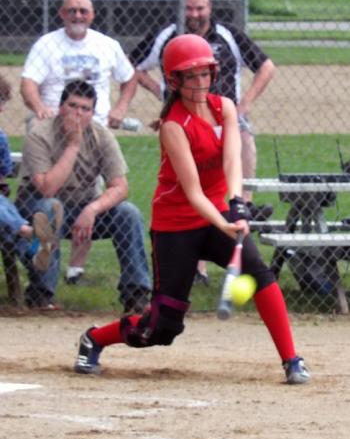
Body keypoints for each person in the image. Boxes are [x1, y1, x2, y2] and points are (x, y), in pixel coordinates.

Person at [74, 35, 310, 385]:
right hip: (176, 226)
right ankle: (95, 338)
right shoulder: (173, 125)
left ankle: (291, 359)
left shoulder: (224, 107)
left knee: (259, 273)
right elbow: (193, 192)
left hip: (218, 212)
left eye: (205, 74)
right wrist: (225, 223)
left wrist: (237, 206)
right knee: (162, 327)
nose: (201, 83)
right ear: (175, 81)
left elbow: (232, 160)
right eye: (191, 76)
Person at [130, 0, 276, 223]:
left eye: (200, 8)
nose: (194, 14)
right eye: (188, 8)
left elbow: (266, 67)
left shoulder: (227, 34)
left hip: (226, 114)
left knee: (245, 141)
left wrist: (244, 105)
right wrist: (160, 91)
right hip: (185, 117)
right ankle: (198, 214)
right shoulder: (168, 35)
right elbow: (131, 65)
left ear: (210, 8)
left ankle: (243, 206)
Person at [20, 0, 138, 282]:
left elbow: (129, 77)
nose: (77, 16)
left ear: (92, 15)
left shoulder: (106, 45)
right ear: (61, 14)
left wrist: (120, 108)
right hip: (53, 130)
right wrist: (40, 109)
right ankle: (45, 283)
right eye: (71, 10)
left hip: (95, 131)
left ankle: (76, 270)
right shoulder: (47, 45)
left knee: (91, 199)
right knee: (53, 202)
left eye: (83, 11)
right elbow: (27, 83)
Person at [15, 79, 151, 312]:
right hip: (38, 208)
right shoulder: (40, 134)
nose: (78, 113)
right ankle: (41, 296)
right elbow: (47, 188)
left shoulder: (102, 136)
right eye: (72, 106)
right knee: (51, 206)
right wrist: (73, 145)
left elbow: (120, 187)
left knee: (128, 213)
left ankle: (136, 295)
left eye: (85, 109)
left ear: (92, 113)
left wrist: (92, 210)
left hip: (83, 209)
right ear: (60, 107)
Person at [0, 75, 61, 275]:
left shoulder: (0, 138)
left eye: (2, 101)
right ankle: (28, 233)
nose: (1, 108)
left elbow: (2, 178)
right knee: (6, 216)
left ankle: (33, 252)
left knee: (3, 208)